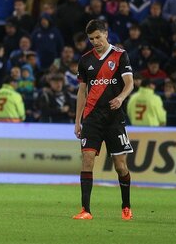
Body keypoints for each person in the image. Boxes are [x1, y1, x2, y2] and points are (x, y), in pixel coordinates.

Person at [73, 19, 134, 220]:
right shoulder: (85, 60)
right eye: (91, 39)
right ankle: (85, 210)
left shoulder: (119, 55)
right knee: (87, 159)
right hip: (92, 118)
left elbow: (130, 84)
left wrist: (120, 98)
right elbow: (82, 91)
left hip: (114, 118)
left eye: (98, 37)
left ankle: (126, 206)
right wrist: (77, 121)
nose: (95, 42)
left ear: (106, 34)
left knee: (120, 166)